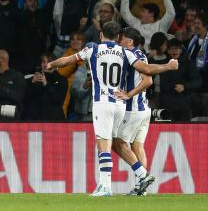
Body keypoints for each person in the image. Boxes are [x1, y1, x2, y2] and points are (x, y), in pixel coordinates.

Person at [47, 22, 179, 196]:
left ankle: (105, 186)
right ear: (117, 37)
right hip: (120, 104)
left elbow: (68, 60)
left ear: (101, 35)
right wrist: (168, 66)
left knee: (103, 142)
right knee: (116, 142)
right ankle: (142, 174)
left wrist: (52, 64)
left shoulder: (92, 50)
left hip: (102, 103)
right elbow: (146, 69)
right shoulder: (125, 52)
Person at [113, 28, 155, 196]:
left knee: (117, 142)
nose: (118, 40)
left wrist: (129, 94)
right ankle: (141, 189)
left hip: (133, 109)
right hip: (144, 109)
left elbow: (148, 80)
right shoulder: (140, 54)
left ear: (129, 42)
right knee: (137, 147)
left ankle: (143, 175)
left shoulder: (132, 56)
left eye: (121, 38)